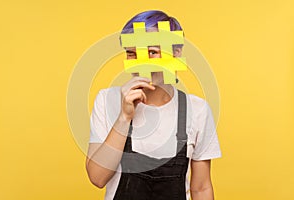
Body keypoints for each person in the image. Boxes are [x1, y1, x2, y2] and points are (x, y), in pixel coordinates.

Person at [86, 10, 222, 200]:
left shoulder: (197, 110)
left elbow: (201, 188)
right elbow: (97, 177)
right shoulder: (107, 100)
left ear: (176, 53)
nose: (143, 63)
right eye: (132, 53)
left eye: (152, 52)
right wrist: (124, 118)